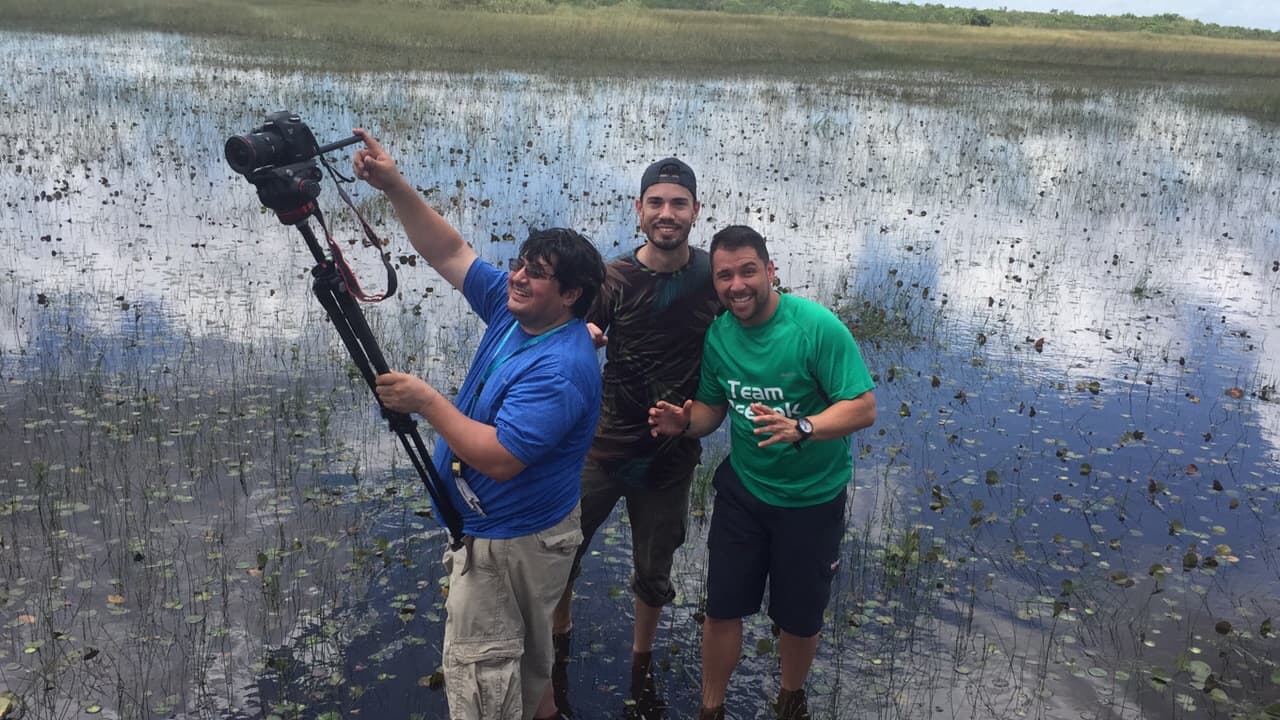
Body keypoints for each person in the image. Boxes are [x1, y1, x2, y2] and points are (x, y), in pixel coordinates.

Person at [352, 128, 606, 720]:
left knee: (486, 685)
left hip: (511, 543)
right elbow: (449, 251)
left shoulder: (561, 368)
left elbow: (499, 458)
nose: (517, 276)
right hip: (500, 531)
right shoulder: (516, 312)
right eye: (519, 264)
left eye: (536, 273)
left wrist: (426, 401)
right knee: (527, 667)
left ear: (569, 295)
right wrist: (393, 185)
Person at [648, 225, 877, 720]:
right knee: (722, 609)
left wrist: (804, 426)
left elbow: (861, 408)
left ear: (771, 271)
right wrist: (685, 423)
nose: (736, 285)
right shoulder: (720, 335)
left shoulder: (816, 328)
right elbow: (713, 408)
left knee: (799, 618)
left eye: (748, 271)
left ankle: (790, 699)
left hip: (812, 499)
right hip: (744, 492)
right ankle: (712, 707)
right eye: (725, 276)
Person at [550, 157, 720, 714]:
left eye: (678, 203)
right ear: (639, 210)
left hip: (672, 456)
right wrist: (585, 340)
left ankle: (640, 660)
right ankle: (561, 638)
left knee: (654, 568)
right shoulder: (616, 276)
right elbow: (586, 331)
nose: (666, 214)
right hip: (604, 446)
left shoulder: (713, 275)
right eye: (656, 203)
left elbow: (753, 323)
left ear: (696, 210)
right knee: (564, 549)